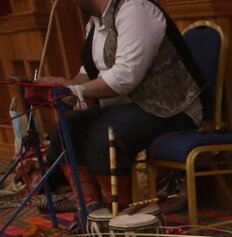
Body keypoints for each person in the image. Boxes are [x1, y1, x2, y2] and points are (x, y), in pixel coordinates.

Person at [38, 0, 204, 211]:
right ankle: (90, 211)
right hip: (124, 110)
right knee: (66, 129)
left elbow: (125, 77)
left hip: (171, 109)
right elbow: (87, 73)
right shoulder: (95, 23)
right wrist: (67, 85)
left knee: (106, 134)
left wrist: (75, 92)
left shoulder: (136, 9)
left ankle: (120, 214)